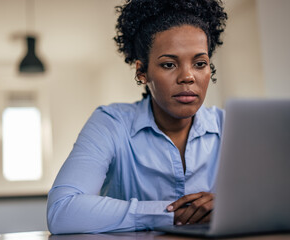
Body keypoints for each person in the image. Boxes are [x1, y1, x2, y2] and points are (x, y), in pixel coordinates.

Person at [47, 0, 227, 234]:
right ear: (142, 72)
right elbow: (62, 210)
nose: (187, 77)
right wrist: (173, 213)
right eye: (169, 64)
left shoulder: (230, 127)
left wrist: (229, 207)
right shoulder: (111, 122)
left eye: (200, 63)